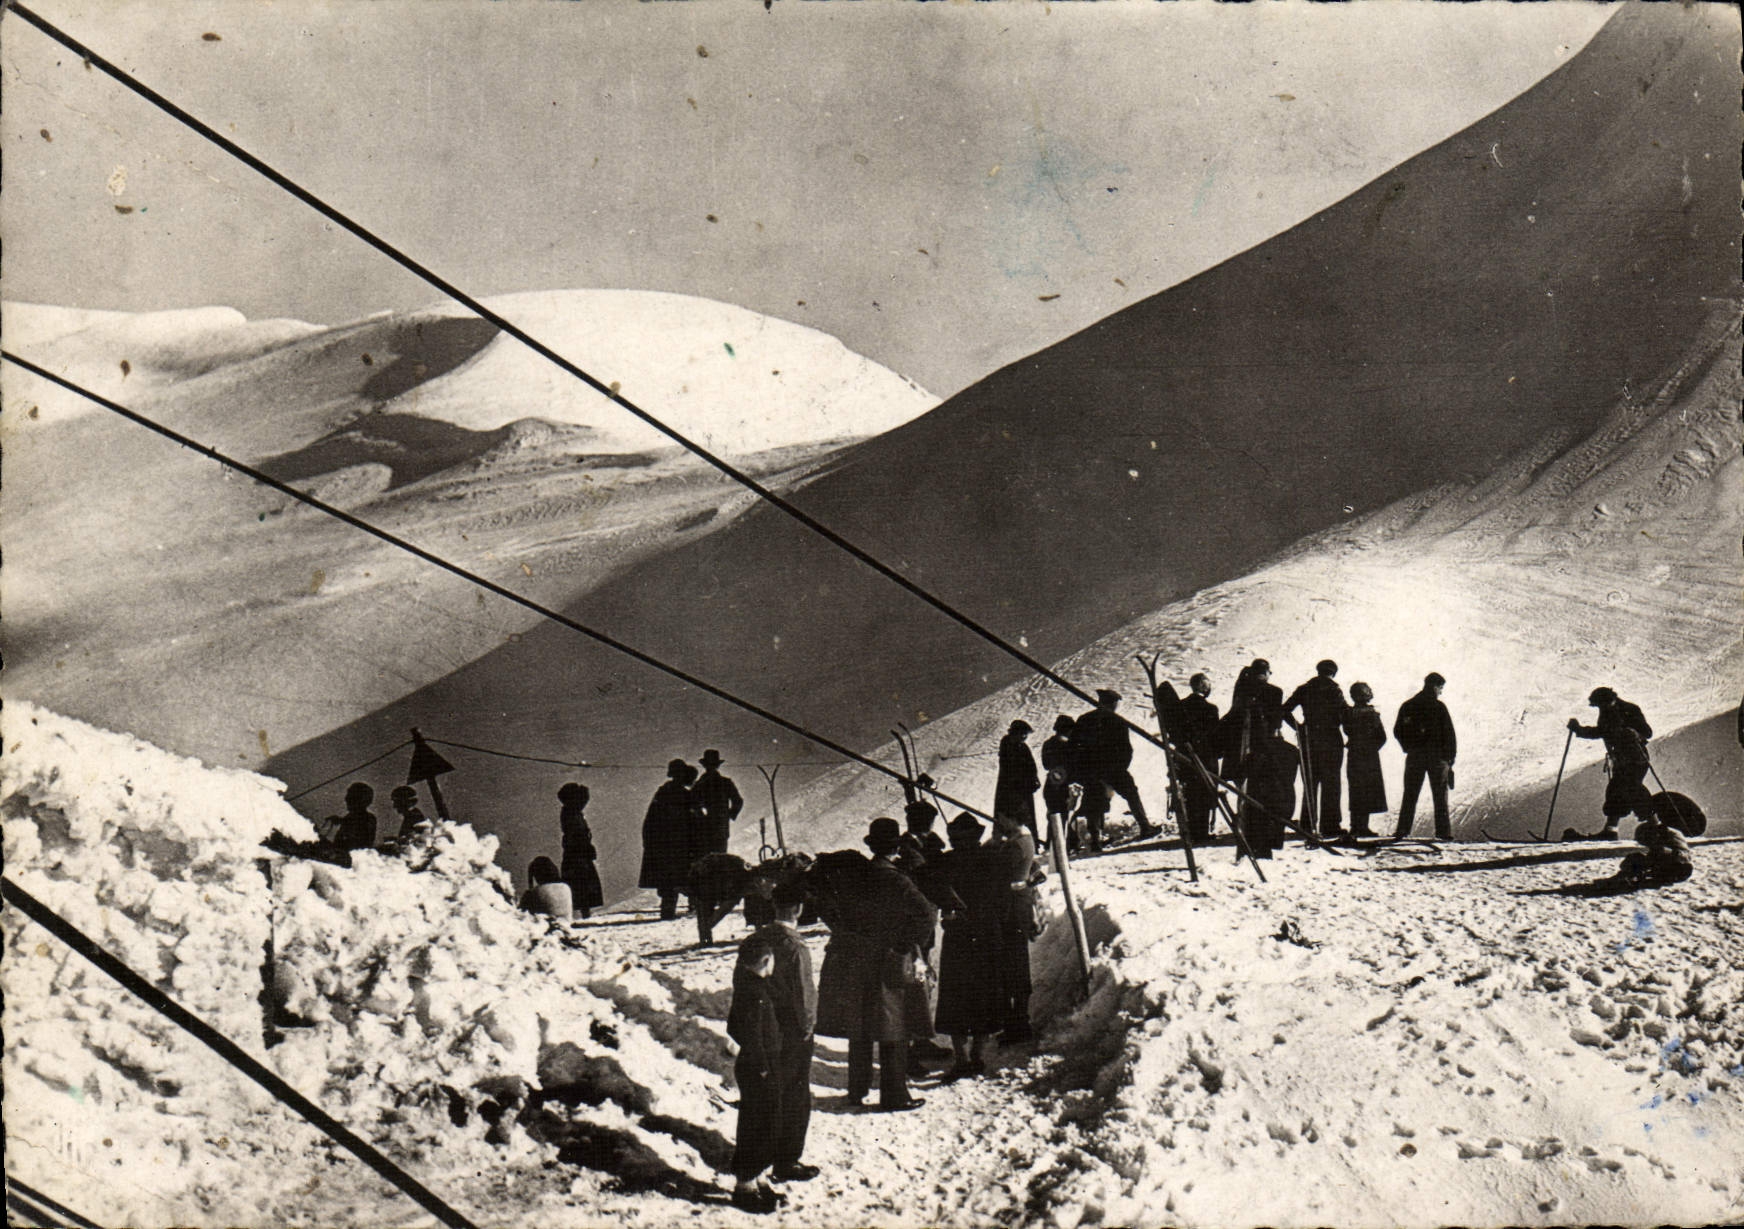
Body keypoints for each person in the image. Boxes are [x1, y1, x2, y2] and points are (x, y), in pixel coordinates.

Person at [810, 820, 937, 1112]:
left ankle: (857, 1089)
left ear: (871, 846)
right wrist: (905, 944)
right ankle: (894, 1095)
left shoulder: (855, 877)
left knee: (861, 1024)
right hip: (890, 958)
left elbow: (830, 909)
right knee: (894, 1024)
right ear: (897, 848)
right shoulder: (897, 879)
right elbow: (927, 916)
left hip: (857, 957)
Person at [727, 878, 818, 1214]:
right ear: (798, 909)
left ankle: (766, 1167)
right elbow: (804, 994)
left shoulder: (755, 939)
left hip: (763, 1036)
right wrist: (808, 1028)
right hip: (791, 1033)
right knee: (793, 1096)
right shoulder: (795, 945)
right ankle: (785, 1160)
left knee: (770, 1102)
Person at [931, 813, 1026, 1079]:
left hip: (960, 936)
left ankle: (962, 1058)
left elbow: (929, 884)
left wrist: (948, 910)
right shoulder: (994, 859)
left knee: (956, 997)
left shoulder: (946, 862)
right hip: (988, 934)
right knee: (985, 995)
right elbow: (1007, 898)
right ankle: (977, 1056)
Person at [1568, 687, 1654, 840]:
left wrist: (1635, 733)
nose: (1601, 708)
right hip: (1621, 759)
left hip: (1636, 758)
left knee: (1631, 788)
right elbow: (1601, 731)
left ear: (1611, 700)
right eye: (1599, 706)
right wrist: (1579, 729)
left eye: (1602, 704)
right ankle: (1611, 830)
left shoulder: (1630, 709)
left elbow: (1647, 732)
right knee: (1616, 790)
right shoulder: (1606, 712)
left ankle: (1654, 826)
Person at [1072, 689, 1158, 841]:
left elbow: (1075, 747)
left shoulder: (1084, 720)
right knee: (1131, 793)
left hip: (1091, 770)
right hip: (1114, 770)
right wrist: (1120, 768)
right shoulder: (1117, 721)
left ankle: (1095, 840)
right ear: (1113, 704)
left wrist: (1084, 770)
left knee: (1093, 801)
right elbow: (1126, 750)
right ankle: (1145, 827)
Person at [988, 810, 1043, 1042]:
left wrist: (994, 844)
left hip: (1011, 910)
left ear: (1011, 818)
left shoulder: (1015, 845)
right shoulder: (1024, 839)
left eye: (1002, 817)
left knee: (1014, 966)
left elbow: (997, 872)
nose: (999, 821)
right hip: (1018, 907)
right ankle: (1017, 1022)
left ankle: (1018, 1023)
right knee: (1016, 964)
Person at [1284, 660, 1350, 838]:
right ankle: (1330, 826)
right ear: (1333, 673)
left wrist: (1300, 727)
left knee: (1310, 783)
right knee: (1332, 784)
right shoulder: (1334, 690)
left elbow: (1284, 710)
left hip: (1310, 740)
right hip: (1331, 740)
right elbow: (1345, 713)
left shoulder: (1305, 688)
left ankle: (1307, 824)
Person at [1394, 673, 1456, 840]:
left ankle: (1402, 831)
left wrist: (1409, 747)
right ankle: (1443, 833)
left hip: (1415, 756)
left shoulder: (1408, 706)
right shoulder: (1439, 707)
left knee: (1410, 794)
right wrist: (1450, 759)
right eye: (1441, 688)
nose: (1441, 692)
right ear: (1435, 686)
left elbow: (1397, 731)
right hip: (1437, 758)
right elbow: (1449, 734)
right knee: (1440, 796)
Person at [640, 759, 698, 919]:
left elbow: (650, 820)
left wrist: (649, 841)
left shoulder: (662, 793)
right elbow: (694, 819)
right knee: (683, 877)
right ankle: (691, 908)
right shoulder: (686, 795)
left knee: (669, 880)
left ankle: (668, 910)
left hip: (665, 845)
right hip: (680, 844)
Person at [1177, 674, 1221, 843]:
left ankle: (1192, 830)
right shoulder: (1210, 709)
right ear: (1203, 687)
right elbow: (1215, 736)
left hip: (1185, 757)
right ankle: (1202, 833)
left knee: (1190, 794)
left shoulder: (1180, 707)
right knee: (1205, 794)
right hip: (1205, 758)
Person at [1341, 683, 1388, 839]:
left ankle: (1356, 826)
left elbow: (1347, 731)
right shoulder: (1372, 714)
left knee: (1356, 790)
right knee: (1368, 790)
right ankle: (1363, 827)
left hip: (1354, 754)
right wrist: (1371, 748)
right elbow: (1382, 737)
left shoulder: (1348, 713)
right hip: (1369, 756)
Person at [556, 783, 604, 918]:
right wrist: (586, 848)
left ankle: (584, 912)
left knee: (581, 883)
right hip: (578, 854)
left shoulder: (571, 813)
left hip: (577, 853)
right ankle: (584, 913)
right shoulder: (572, 814)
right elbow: (577, 835)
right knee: (582, 883)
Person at [994, 720, 1042, 848]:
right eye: (1023, 734)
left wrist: (1034, 779)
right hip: (1011, 791)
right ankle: (1013, 845)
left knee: (1026, 817)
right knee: (1011, 818)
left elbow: (1032, 766)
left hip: (1024, 790)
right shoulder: (1007, 747)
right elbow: (1011, 770)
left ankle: (1031, 844)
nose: (1024, 737)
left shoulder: (1023, 747)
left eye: (1026, 734)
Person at [693, 749, 744, 859]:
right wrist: (728, 814)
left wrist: (701, 817)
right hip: (718, 825)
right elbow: (738, 801)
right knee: (718, 858)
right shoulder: (724, 782)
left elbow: (693, 804)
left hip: (706, 827)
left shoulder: (701, 783)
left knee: (708, 859)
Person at [1616, 816, 1693, 886]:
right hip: (1661, 865)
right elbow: (1651, 856)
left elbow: (1686, 857)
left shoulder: (1672, 835)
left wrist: (1671, 853)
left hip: (1678, 868)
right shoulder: (1656, 839)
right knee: (1635, 858)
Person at [1040, 715, 1076, 846]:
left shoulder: (1047, 744)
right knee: (1065, 814)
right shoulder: (1068, 745)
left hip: (1051, 783)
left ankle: (1052, 843)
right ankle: (1067, 844)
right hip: (1065, 784)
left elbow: (1045, 765)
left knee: (1053, 815)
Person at [317, 782, 378, 856]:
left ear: (360, 800)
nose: (346, 799)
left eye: (350, 796)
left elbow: (355, 845)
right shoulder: (350, 818)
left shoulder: (368, 819)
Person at [385, 785, 431, 854]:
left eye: (396, 802)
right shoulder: (412, 815)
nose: (394, 806)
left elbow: (414, 841)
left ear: (404, 801)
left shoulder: (414, 816)